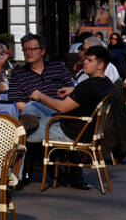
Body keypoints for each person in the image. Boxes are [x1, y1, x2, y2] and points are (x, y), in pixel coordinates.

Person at [20, 45, 116, 189]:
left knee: (19, 133)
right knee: (31, 107)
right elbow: (89, 94)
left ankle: (19, 175)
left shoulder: (87, 86)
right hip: (86, 129)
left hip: (69, 131)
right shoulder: (106, 83)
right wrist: (74, 90)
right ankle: (41, 167)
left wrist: (40, 95)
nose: (85, 62)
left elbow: (62, 107)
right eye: (85, 59)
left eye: (90, 60)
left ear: (100, 65)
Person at [7, 33, 73, 113]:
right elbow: (15, 103)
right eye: (25, 50)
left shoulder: (58, 67)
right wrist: (42, 111)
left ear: (42, 51)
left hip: (62, 114)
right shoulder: (18, 73)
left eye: (32, 49)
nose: (27, 53)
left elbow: (72, 91)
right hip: (36, 117)